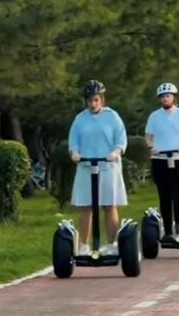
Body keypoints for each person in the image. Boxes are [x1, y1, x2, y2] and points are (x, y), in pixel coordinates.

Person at [68, 80, 128, 255]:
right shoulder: (80, 119)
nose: (92, 104)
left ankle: (111, 245)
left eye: (96, 100)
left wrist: (116, 152)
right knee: (86, 207)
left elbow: (121, 140)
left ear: (102, 99)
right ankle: (84, 246)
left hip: (108, 166)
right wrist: (75, 153)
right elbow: (73, 142)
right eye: (89, 100)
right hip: (86, 166)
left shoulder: (112, 117)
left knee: (109, 206)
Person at [145, 82, 179, 244]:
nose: (165, 99)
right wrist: (151, 146)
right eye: (162, 97)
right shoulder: (154, 116)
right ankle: (167, 231)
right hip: (160, 160)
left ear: (174, 97)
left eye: (168, 96)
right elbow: (148, 136)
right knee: (165, 197)